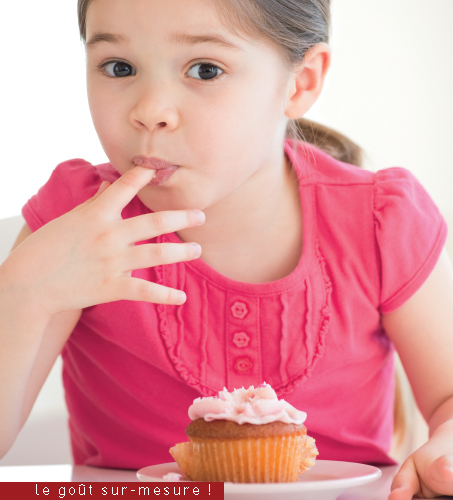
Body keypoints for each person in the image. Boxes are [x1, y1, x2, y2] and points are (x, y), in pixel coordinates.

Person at [0, 0, 452, 497]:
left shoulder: (380, 220)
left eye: (205, 70)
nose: (149, 112)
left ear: (300, 84)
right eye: (119, 67)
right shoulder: (76, 223)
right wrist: (20, 294)